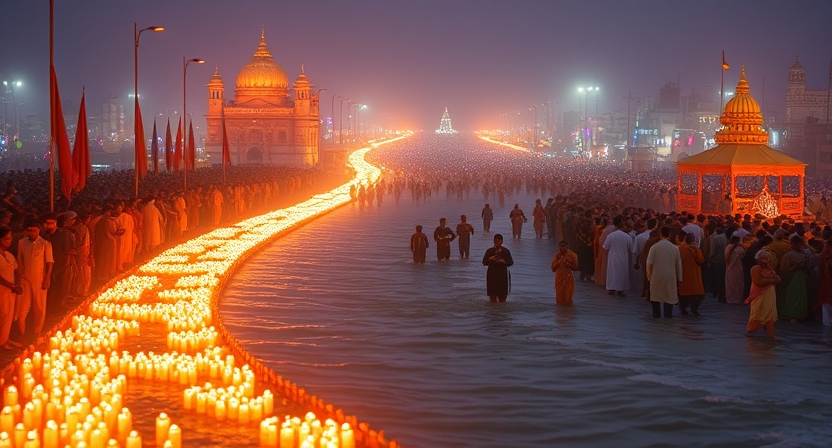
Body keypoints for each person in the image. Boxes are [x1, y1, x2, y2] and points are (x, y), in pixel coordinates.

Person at [17, 218, 53, 338]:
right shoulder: (22, 243)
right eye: (29, 231)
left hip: (39, 279)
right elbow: (20, 260)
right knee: (22, 308)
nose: (31, 233)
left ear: (39, 230)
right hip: (25, 280)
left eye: (34, 231)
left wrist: (47, 278)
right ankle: (22, 334)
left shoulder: (45, 244)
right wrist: (19, 279)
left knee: (39, 307)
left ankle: (37, 332)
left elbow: (49, 262)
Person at [646, 226, 682, 318]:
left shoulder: (654, 247)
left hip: (656, 276)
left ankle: (657, 318)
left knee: (656, 300)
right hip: (670, 277)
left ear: (660, 234)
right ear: (669, 234)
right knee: (669, 300)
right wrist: (680, 279)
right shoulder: (675, 248)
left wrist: (649, 277)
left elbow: (649, 263)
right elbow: (679, 265)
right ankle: (667, 318)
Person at [745, 249, 780, 339]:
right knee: (757, 313)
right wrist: (772, 281)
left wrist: (771, 275)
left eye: (767, 258)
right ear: (758, 259)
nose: (766, 260)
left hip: (769, 294)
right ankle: (751, 332)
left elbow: (778, 279)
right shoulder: (756, 268)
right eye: (763, 258)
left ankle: (771, 335)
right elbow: (758, 282)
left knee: (769, 314)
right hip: (758, 295)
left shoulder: (769, 269)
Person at [778, 234, 813, 322]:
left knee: (801, 297)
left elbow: (809, 266)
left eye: (798, 244)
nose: (797, 246)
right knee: (791, 296)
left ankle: (799, 314)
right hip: (791, 280)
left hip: (801, 279)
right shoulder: (788, 255)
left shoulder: (805, 254)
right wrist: (797, 266)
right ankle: (790, 314)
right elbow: (784, 269)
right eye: (795, 244)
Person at [0, 227, 22, 350]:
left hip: (11, 290)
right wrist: (11, 285)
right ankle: (2, 343)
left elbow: (16, 269)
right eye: (6, 239)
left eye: (10, 238)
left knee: (8, 316)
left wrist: (17, 285)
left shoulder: (8, 254)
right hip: (2, 290)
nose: (9, 241)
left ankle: (5, 340)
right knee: (3, 316)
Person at [602, 216, 633, 297]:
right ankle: (621, 289)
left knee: (613, 273)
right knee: (622, 273)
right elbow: (631, 248)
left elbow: (605, 247)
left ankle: (611, 288)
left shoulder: (611, 236)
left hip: (612, 257)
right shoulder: (627, 236)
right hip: (623, 257)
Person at [678, 232, 705, 315]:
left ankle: (683, 309)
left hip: (684, 276)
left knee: (683, 295)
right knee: (696, 295)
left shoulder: (681, 249)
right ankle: (694, 309)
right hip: (695, 278)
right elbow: (701, 261)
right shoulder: (696, 250)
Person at [482, 234, 514, 302]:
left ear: (501, 241)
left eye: (498, 241)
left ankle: (501, 311)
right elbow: (484, 262)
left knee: (502, 296)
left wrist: (503, 261)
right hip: (492, 274)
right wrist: (490, 259)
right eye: (495, 241)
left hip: (502, 274)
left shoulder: (505, 251)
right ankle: (493, 311)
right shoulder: (490, 251)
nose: (497, 242)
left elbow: (511, 262)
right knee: (492, 296)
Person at [551, 240, 578, 306]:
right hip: (559, 279)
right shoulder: (557, 256)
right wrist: (559, 262)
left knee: (568, 298)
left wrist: (567, 264)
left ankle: (569, 314)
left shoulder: (572, 255)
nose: (562, 248)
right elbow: (553, 269)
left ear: (567, 246)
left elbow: (576, 268)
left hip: (568, 278)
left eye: (564, 246)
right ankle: (561, 314)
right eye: (561, 246)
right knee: (559, 300)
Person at [724, 235, 746, 304]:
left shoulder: (728, 247)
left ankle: (731, 299)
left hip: (729, 268)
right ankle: (738, 299)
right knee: (738, 284)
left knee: (730, 285)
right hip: (737, 268)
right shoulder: (740, 249)